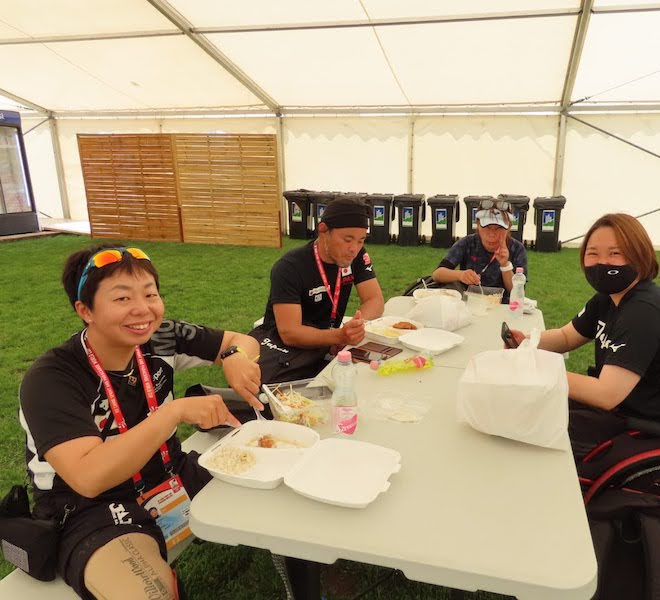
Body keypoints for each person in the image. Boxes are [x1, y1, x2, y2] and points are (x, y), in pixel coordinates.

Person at [19, 244, 263, 600]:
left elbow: (241, 341)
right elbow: (88, 477)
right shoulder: (53, 377)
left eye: (150, 294)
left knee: (274, 483)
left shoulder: (161, 336)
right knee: (151, 594)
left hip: (169, 474)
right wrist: (173, 412)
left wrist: (235, 356)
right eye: (122, 298)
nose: (143, 309)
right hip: (88, 508)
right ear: (85, 310)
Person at [509, 214, 660, 459]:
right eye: (593, 253)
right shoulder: (609, 297)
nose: (602, 263)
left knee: (533, 426)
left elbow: (606, 394)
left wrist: (538, 369)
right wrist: (528, 342)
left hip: (655, 423)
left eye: (615, 253)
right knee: (531, 406)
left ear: (640, 255)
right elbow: (567, 337)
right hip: (626, 405)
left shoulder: (644, 312)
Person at [250, 196, 385, 383]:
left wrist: (355, 327)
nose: (354, 249)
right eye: (347, 239)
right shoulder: (289, 266)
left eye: (361, 240)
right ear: (323, 230)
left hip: (327, 343)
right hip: (287, 350)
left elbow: (374, 300)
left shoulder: (357, 256)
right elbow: (290, 333)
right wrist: (338, 336)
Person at [431, 199, 528, 301]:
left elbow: (517, 292)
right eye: (487, 227)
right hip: (469, 302)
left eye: (499, 228)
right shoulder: (467, 243)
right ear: (478, 225)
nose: (492, 234)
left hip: (502, 305)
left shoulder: (517, 249)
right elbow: (437, 274)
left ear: (508, 227)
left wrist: (505, 265)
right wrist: (461, 275)